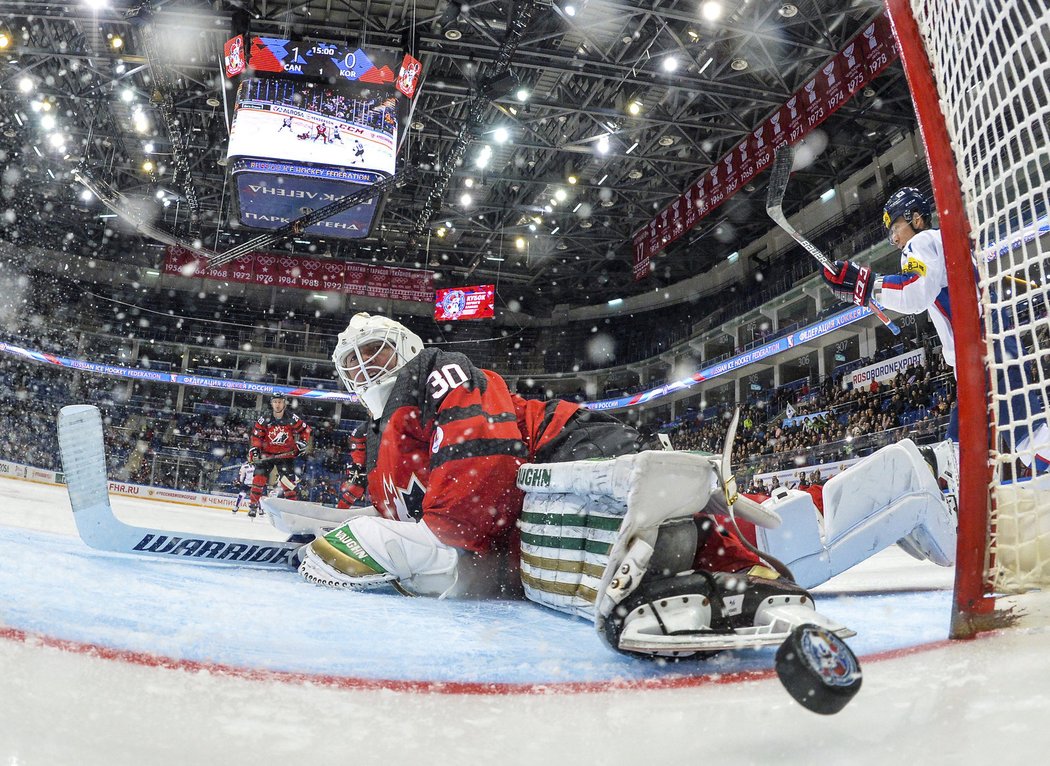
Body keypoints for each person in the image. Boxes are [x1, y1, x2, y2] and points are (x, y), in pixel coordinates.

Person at [292, 313, 954, 659]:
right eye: (351, 364)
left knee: (674, 566)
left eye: (373, 352)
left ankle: (897, 489)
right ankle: (898, 485)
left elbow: (477, 493)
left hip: (584, 457)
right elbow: (466, 535)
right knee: (749, 542)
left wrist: (394, 540)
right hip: (577, 469)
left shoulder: (438, 375)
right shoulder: (406, 437)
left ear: (406, 350)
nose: (363, 369)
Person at [821, 187, 1048, 462]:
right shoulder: (943, 242)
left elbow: (914, 292)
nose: (893, 237)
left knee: (1029, 444)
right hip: (984, 349)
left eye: (896, 226)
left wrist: (866, 284)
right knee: (960, 451)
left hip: (983, 349)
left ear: (916, 219)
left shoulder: (923, 242)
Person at [247, 393, 311, 518]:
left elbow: (306, 430)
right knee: (258, 479)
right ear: (271, 403)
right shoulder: (265, 418)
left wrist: (302, 443)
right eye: (275, 402)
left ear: (284, 403)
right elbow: (257, 436)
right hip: (267, 455)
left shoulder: (292, 418)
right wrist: (255, 449)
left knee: (288, 483)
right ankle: (253, 506)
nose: (277, 404)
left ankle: (292, 511)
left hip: (285, 456)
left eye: (280, 402)